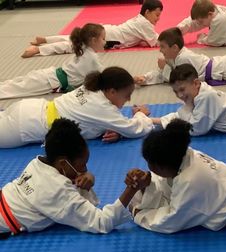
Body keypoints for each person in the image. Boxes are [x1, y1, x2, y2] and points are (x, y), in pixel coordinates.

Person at [0, 118, 151, 238]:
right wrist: (132, 189)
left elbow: (63, 185)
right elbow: (101, 221)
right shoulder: (57, 192)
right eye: (82, 165)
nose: (85, 169)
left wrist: (88, 178)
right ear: (63, 164)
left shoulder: (37, 163)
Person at [0, 66, 153, 148]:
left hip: (29, 107)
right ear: (112, 91)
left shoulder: (92, 87)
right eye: (126, 95)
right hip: (26, 125)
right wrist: (142, 115)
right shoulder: (103, 108)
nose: (128, 100)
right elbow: (134, 130)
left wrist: (114, 131)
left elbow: (89, 122)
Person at [22, 0, 163, 58]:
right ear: (147, 12)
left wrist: (142, 42)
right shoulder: (145, 25)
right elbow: (156, 42)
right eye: (156, 15)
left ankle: (45, 39)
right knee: (74, 45)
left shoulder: (139, 20)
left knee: (73, 37)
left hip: (107, 31)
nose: (158, 19)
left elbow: (142, 39)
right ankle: (38, 50)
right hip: (108, 37)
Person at [0, 24, 105, 100]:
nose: (105, 42)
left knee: (15, 84)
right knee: (15, 89)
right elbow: (106, 77)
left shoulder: (83, 47)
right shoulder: (91, 57)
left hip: (50, 76)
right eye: (103, 39)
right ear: (93, 40)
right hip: (50, 81)